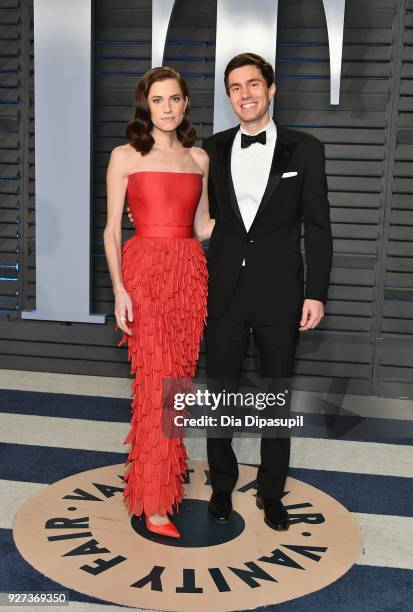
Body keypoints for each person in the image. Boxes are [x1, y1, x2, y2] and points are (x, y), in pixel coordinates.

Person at [202, 53, 333, 531]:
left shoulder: (306, 148)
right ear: (229, 96)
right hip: (224, 292)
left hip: (281, 292)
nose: (245, 95)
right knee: (220, 394)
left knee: (277, 396)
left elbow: (318, 227)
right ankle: (221, 486)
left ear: (271, 89)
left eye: (253, 84)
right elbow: (199, 217)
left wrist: (315, 292)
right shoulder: (212, 149)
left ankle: (272, 491)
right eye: (235, 87)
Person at [104, 66, 214, 539]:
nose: (167, 108)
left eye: (175, 99)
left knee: (177, 387)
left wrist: (257, 219)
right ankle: (152, 502)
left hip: (189, 274)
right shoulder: (125, 156)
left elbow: (205, 225)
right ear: (144, 105)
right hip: (145, 272)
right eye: (158, 100)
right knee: (155, 384)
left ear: (186, 104)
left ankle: (163, 486)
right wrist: (119, 290)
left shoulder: (200, 159)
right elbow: (110, 230)